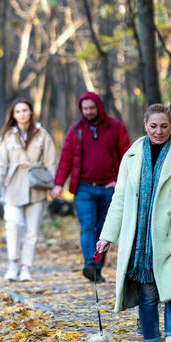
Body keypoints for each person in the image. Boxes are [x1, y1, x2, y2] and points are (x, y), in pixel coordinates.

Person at [96, 104, 171, 342]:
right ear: (145, 125)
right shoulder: (131, 155)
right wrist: (107, 235)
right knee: (148, 296)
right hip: (140, 239)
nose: (159, 131)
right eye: (153, 126)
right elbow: (119, 199)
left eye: (164, 126)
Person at [50, 92, 131, 282]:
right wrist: (58, 184)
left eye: (92, 108)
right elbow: (66, 159)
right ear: (81, 110)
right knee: (87, 226)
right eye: (85, 109)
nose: (88, 112)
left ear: (99, 107)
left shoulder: (115, 127)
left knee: (104, 230)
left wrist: (120, 180)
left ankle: (97, 268)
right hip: (83, 188)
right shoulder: (76, 130)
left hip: (109, 188)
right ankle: (90, 263)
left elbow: (127, 155)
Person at [0, 99, 57, 282]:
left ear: (31, 112)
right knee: (14, 225)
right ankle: (13, 263)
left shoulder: (43, 134)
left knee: (32, 231)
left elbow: (51, 162)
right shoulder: (7, 137)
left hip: (37, 187)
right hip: (13, 187)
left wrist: (52, 185)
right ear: (13, 115)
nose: (22, 114)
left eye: (25, 110)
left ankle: (26, 267)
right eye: (18, 111)